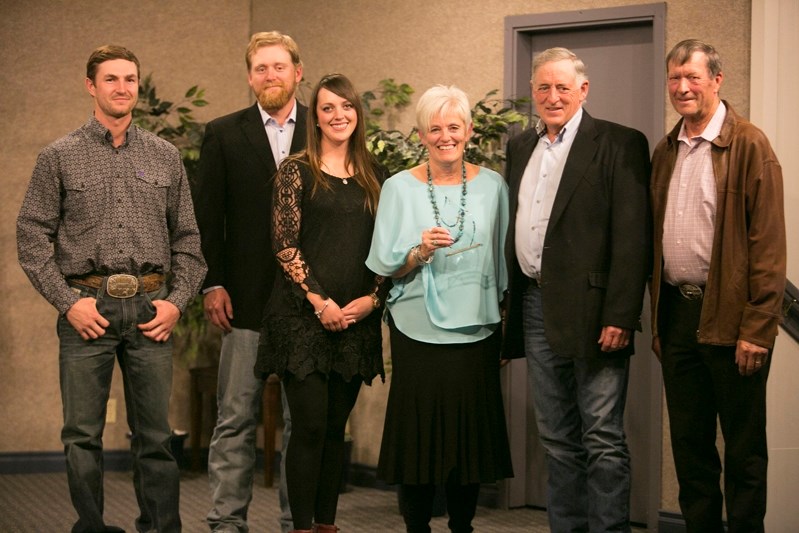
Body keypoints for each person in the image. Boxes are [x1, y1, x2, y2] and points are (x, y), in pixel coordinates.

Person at [16, 45, 207, 533]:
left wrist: (175, 302)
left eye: (130, 79)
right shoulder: (59, 156)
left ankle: (161, 528)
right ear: (91, 85)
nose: (122, 88)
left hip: (150, 309)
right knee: (81, 435)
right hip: (87, 309)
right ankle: (92, 528)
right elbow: (31, 237)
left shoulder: (164, 156)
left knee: (156, 436)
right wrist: (67, 303)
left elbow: (188, 239)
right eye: (111, 79)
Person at [503, 47, 651, 532]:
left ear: (583, 90)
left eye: (562, 86)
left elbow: (632, 238)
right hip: (534, 303)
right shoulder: (521, 146)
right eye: (543, 87)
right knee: (557, 438)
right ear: (533, 92)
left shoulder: (618, 143)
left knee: (603, 437)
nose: (552, 96)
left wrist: (620, 315)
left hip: (595, 313)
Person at [650, 39, 786, 533]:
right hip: (679, 319)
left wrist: (758, 329)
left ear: (716, 80)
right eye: (674, 78)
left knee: (745, 450)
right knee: (690, 448)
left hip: (735, 320)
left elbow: (769, 248)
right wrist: (660, 322)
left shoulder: (749, 144)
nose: (682, 88)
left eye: (693, 77)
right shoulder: (666, 150)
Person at [366, 85, 513, 533]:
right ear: (420, 135)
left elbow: (503, 260)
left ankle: (463, 526)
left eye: (454, 127)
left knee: (468, 439)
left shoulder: (494, 185)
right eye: (435, 129)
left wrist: (505, 320)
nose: (445, 136)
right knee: (418, 438)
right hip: (417, 327)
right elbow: (384, 264)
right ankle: (416, 526)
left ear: (469, 130)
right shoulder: (397, 187)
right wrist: (419, 251)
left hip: (478, 331)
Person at [255, 73, 388, 533]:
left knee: (336, 430)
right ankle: (302, 526)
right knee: (309, 427)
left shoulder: (375, 174)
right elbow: (284, 244)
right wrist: (320, 300)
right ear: (317, 117)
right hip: (303, 319)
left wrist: (373, 300)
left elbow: (387, 248)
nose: (338, 116)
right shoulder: (296, 170)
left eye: (346, 106)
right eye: (328, 108)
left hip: (357, 318)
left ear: (358, 113)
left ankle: (327, 526)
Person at [192, 31, 306, 533]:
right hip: (244, 300)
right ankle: (225, 522)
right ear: (249, 77)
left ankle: (294, 520)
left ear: (297, 72)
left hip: (309, 304)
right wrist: (211, 282)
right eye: (261, 68)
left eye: (279, 67)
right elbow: (205, 216)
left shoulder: (325, 131)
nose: (270, 76)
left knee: (302, 426)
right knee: (234, 420)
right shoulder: (223, 133)